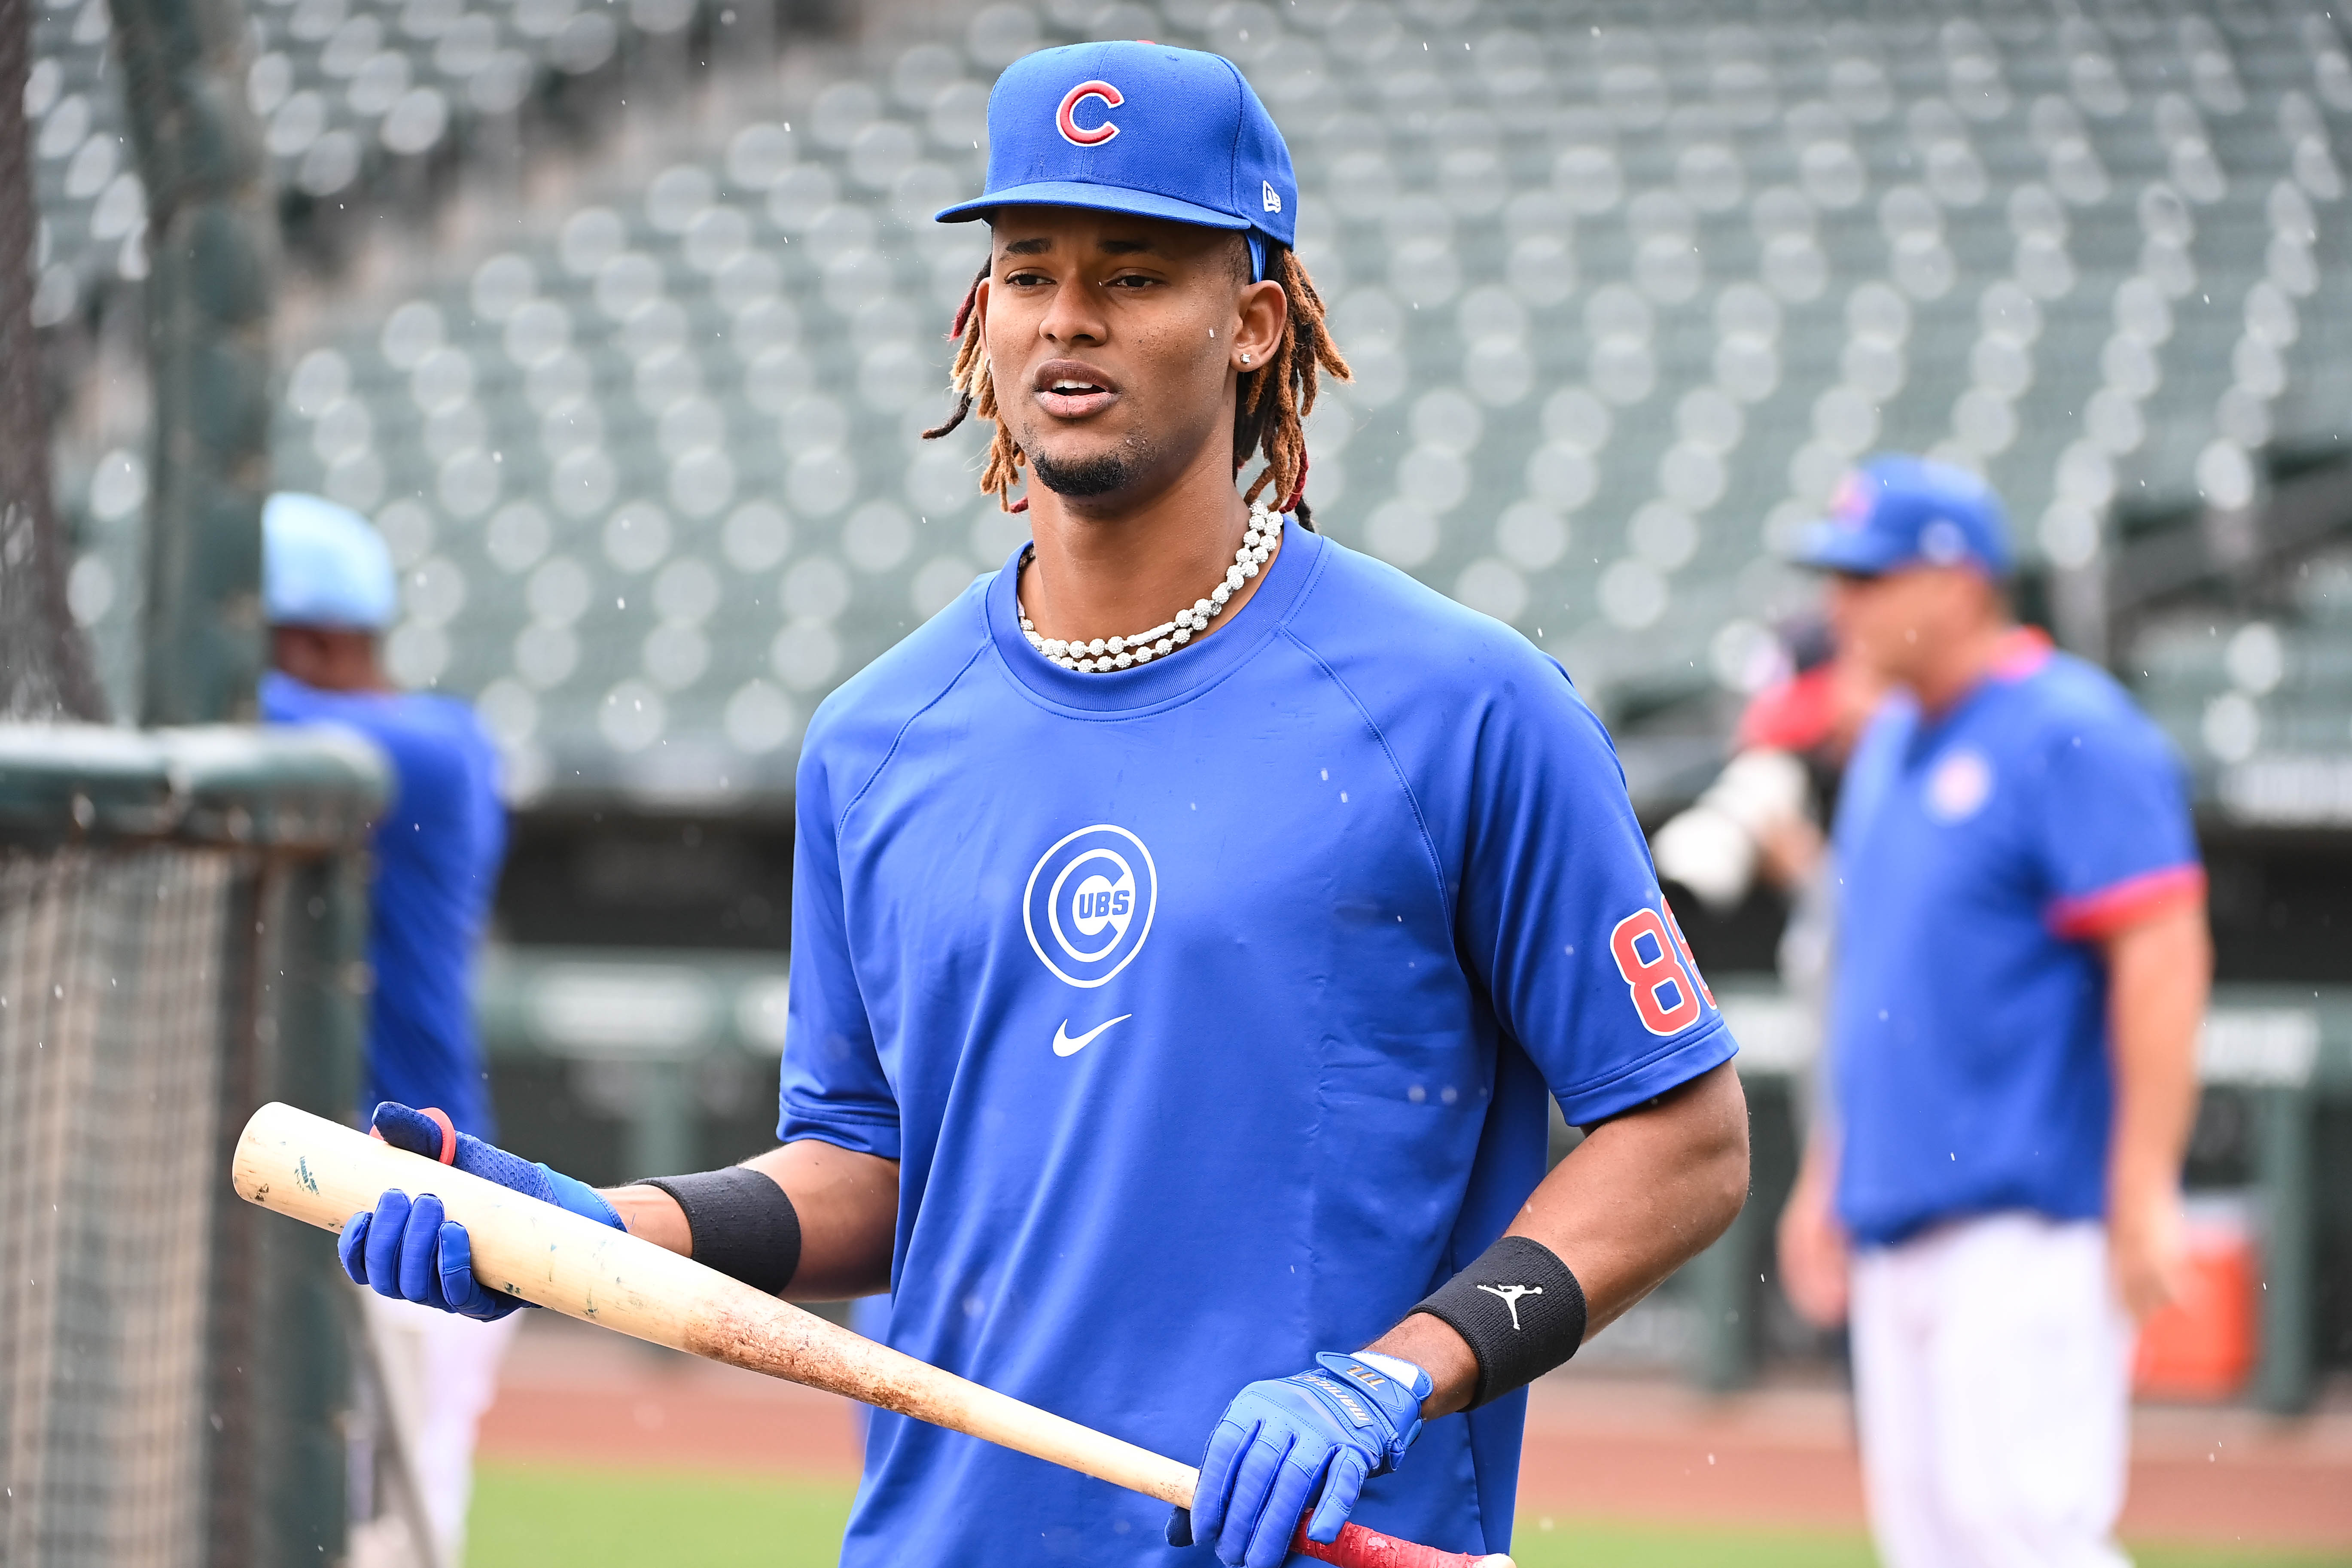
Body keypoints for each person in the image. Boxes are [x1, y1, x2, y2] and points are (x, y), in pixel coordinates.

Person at [336, 43, 1749, 1568]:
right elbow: (871, 1171)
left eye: (1135, 274)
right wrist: (598, 1233)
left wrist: (1395, 1376)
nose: (1068, 316)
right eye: (1028, 270)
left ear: (1254, 323)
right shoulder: (873, 739)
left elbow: (1681, 1136)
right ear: (981, 315)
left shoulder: (1460, 704)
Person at [1773, 457, 2209, 1568]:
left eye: (1869, 579)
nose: (1841, 605)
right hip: (1896, 1210)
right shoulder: (1883, 747)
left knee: (2023, 1533)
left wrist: (2144, 1180)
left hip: (2027, 1214)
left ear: (1957, 584)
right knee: (1928, 1543)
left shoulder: (2067, 724)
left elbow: (2160, 953)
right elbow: (1876, 983)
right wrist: (1830, 1169)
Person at [259, 492, 512, 1568]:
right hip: (309, 1195)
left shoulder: (434, 746)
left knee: (385, 1547)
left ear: (312, 639)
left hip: (418, 1211)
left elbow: (236, 720)